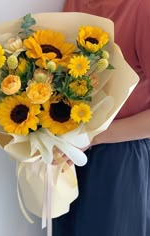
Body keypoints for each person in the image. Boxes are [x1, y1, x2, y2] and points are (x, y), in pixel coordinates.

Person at [53, 0, 150, 235]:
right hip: (72, 151)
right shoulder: (74, 3)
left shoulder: (142, 8)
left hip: (122, 154)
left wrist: (94, 137)